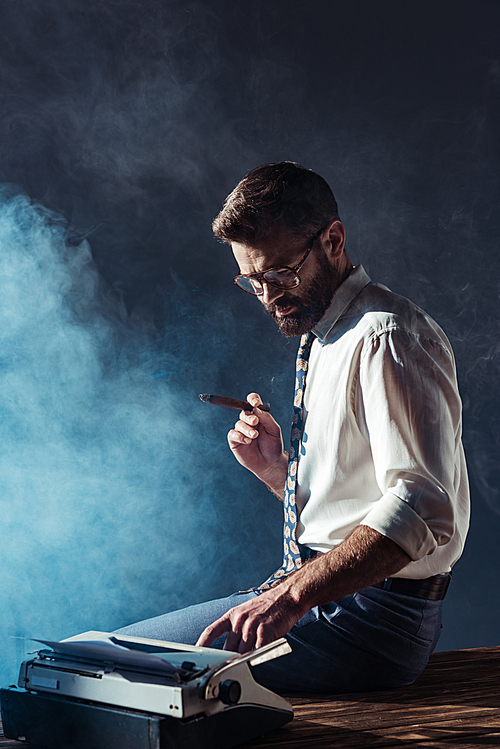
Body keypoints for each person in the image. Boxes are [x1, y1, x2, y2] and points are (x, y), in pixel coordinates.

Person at [116, 162, 470, 694]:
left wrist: (291, 596)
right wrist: (278, 473)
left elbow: (423, 507)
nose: (268, 295)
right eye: (252, 281)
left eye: (280, 273)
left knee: (119, 674)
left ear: (333, 239)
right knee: (99, 662)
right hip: (329, 605)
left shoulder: (385, 336)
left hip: (365, 628)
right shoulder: (327, 332)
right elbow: (353, 506)